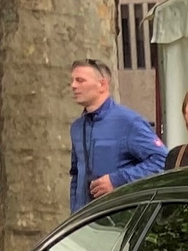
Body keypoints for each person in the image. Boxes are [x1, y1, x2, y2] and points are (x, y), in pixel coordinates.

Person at [69, 58, 164, 209]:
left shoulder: (129, 122)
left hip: (120, 220)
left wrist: (117, 180)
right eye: (72, 80)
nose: (73, 86)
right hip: (85, 223)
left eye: (80, 80)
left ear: (102, 84)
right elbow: (75, 175)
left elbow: (162, 160)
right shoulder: (77, 128)